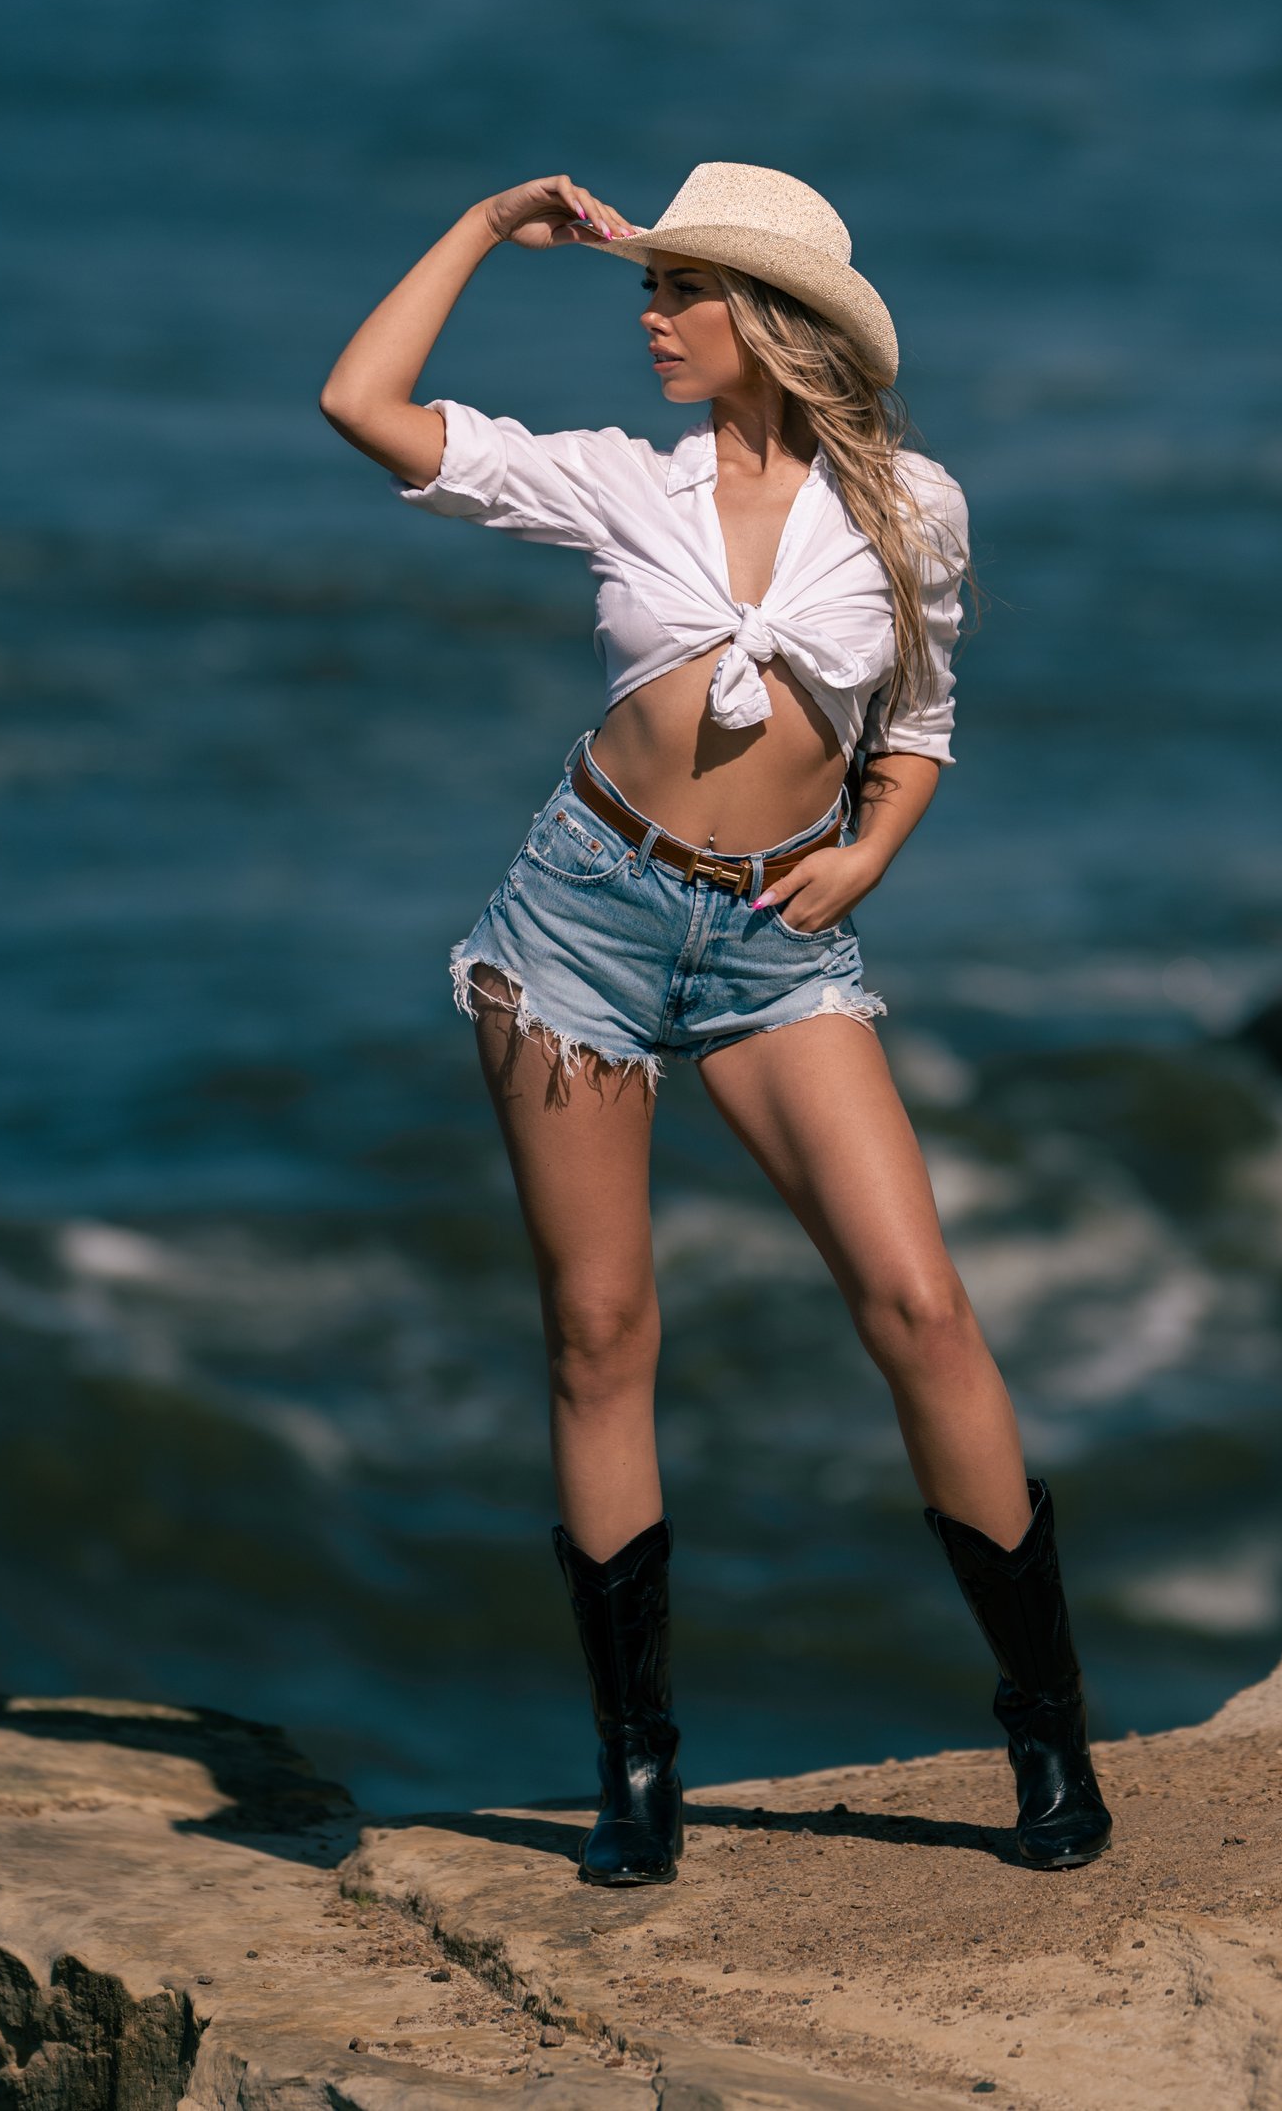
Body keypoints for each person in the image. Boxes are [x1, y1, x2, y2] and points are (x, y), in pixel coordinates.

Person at [320, 162, 1111, 1886]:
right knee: (601, 1335)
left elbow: (921, 715)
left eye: (680, 290)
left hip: (774, 947)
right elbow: (361, 404)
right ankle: (640, 1772)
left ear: (772, 319)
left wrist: (872, 857)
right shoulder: (622, 483)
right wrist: (477, 226)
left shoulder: (913, 505)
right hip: (581, 922)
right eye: (651, 285)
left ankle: (1049, 1735)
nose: (651, 313)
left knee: (922, 1305)